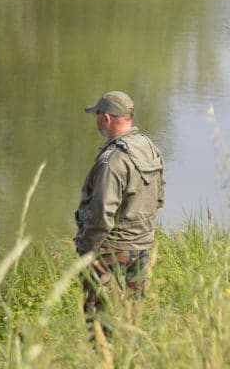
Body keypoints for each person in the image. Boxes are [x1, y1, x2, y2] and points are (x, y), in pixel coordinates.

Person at [74, 90, 165, 341]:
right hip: (142, 245)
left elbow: (102, 214)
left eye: (97, 116)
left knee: (100, 323)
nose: (97, 122)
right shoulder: (148, 146)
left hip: (112, 250)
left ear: (106, 118)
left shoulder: (112, 160)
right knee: (131, 318)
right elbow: (159, 196)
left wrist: (87, 249)